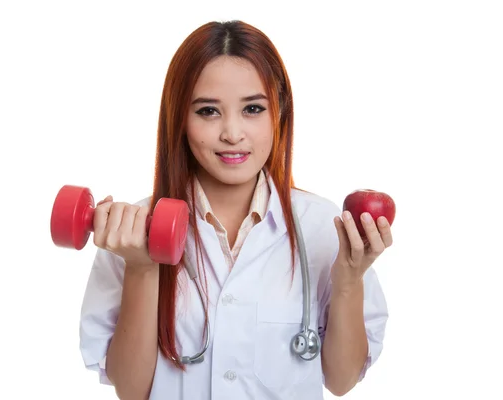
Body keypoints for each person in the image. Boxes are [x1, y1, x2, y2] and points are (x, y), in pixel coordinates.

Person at [78, 20, 392, 400]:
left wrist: (348, 281)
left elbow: (340, 381)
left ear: (279, 113)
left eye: (253, 109)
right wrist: (143, 269)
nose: (231, 133)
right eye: (208, 111)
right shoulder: (131, 235)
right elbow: (131, 391)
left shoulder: (322, 228)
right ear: (179, 119)